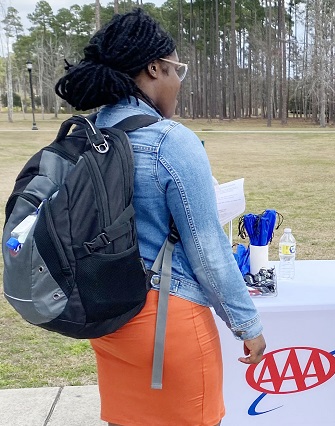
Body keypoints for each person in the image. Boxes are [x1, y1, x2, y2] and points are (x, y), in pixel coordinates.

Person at [55, 9, 266, 426]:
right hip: (168, 320)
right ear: (154, 68)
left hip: (110, 318)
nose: (178, 83)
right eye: (176, 70)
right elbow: (207, 250)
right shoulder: (170, 140)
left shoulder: (87, 134)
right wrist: (247, 324)